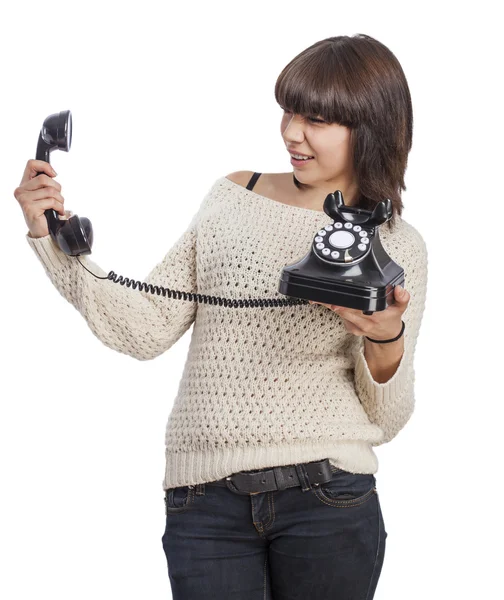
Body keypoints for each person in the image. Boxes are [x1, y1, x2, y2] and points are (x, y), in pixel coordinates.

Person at [15, 33, 428, 600]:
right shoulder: (234, 195)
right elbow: (144, 327)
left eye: (316, 119)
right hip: (203, 498)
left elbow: (388, 418)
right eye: (287, 112)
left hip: (327, 496)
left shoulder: (396, 244)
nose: (291, 133)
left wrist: (387, 337)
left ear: (372, 127)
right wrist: (51, 237)